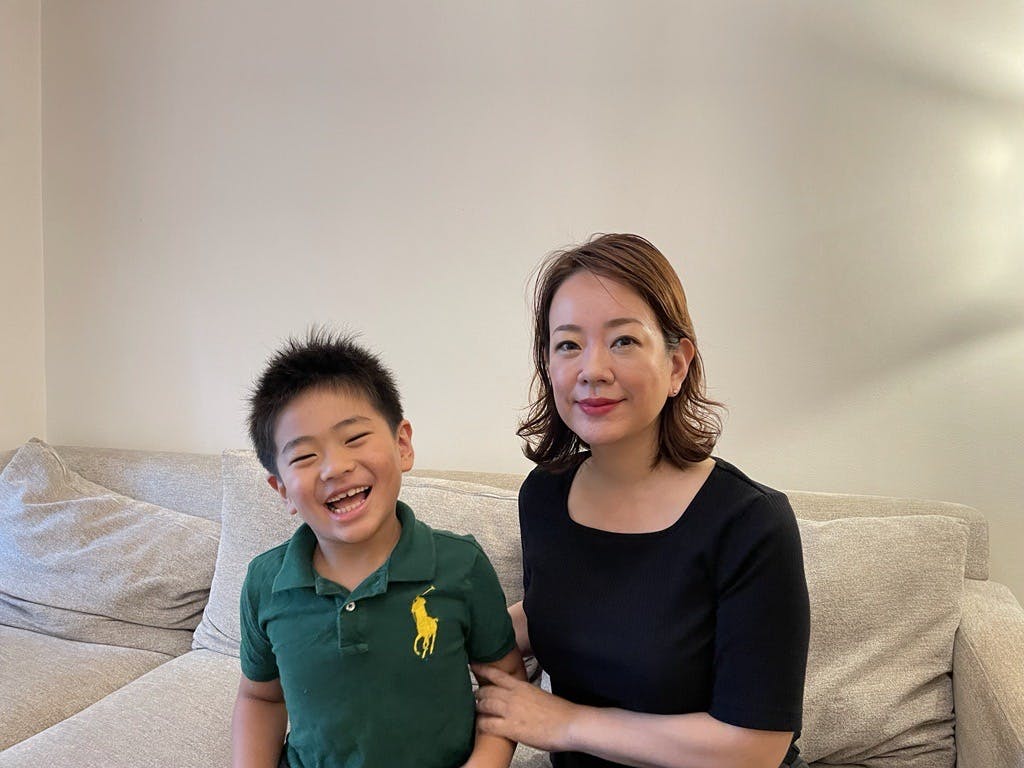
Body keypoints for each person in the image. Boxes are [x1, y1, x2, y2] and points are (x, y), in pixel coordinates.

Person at [474, 234, 810, 768]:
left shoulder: (751, 523)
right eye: (568, 345)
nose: (593, 369)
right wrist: (446, 634)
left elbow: (757, 747)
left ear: (677, 364)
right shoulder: (543, 495)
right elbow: (554, 611)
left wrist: (566, 722)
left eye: (624, 341)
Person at [232, 329, 526, 768]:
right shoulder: (265, 582)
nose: (336, 467)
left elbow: (504, 681)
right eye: (304, 457)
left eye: (354, 438)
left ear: (402, 444)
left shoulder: (461, 565)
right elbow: (260, 697)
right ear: (283, 490)